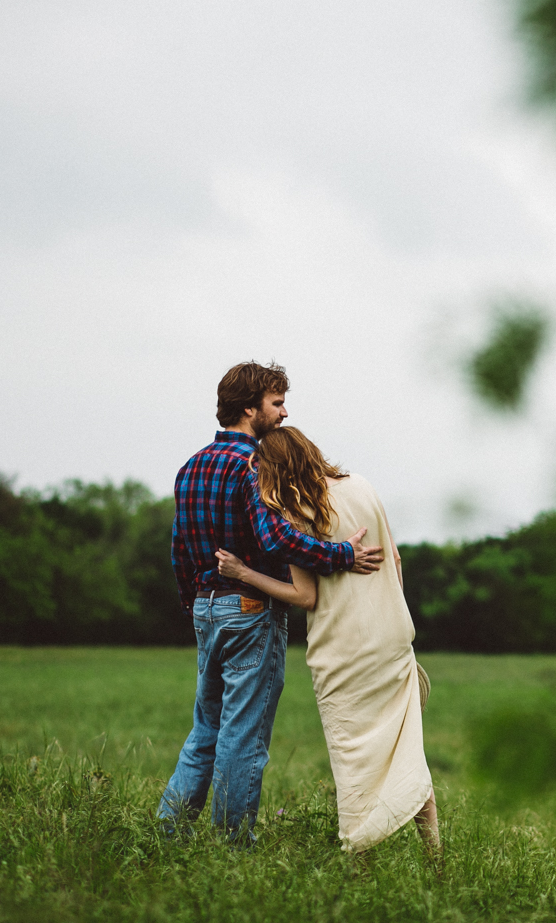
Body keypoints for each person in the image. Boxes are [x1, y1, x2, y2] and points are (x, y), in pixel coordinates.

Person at [159, 361, 384, 841]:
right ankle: (232, 843)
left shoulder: (190, 466)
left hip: (205, 607)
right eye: (276, 403)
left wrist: (195, 607)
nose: (284, 413)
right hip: (249, 610)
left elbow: (179, 548)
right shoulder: (251, 465)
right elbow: (278, 539)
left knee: (206, 729)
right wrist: (342, 554)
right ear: (249, 409)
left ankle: (169, 832)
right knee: (243, 734)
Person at [214, 425, 439, 856]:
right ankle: (437, 864)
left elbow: (305, 596)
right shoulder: (362, 485)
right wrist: (390, 610)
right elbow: (393, 557)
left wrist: (244, 575)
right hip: (392, 640)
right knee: (409, 757)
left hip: (344, 649)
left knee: (354, 763)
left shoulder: (298, 510)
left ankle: (360, 864)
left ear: (275, 469)